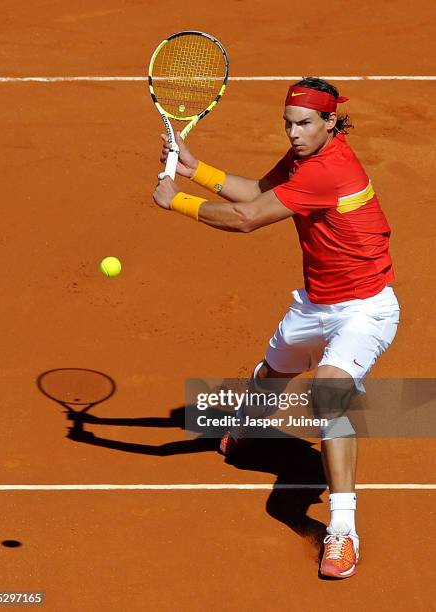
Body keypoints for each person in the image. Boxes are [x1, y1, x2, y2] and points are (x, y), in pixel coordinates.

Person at [153, 76, 400, 579]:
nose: (293, 133)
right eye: (288, 123)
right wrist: (196, 168)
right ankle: (247, 424)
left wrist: (177, 200)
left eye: (304, 123)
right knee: (271, 376)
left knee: (328, 396)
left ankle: (342, 532)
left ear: (331, 122)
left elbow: (247, 217)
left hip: (365, 308)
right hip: (316, 302)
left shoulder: (328, 169)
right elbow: (259, 190)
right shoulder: (305, 157)